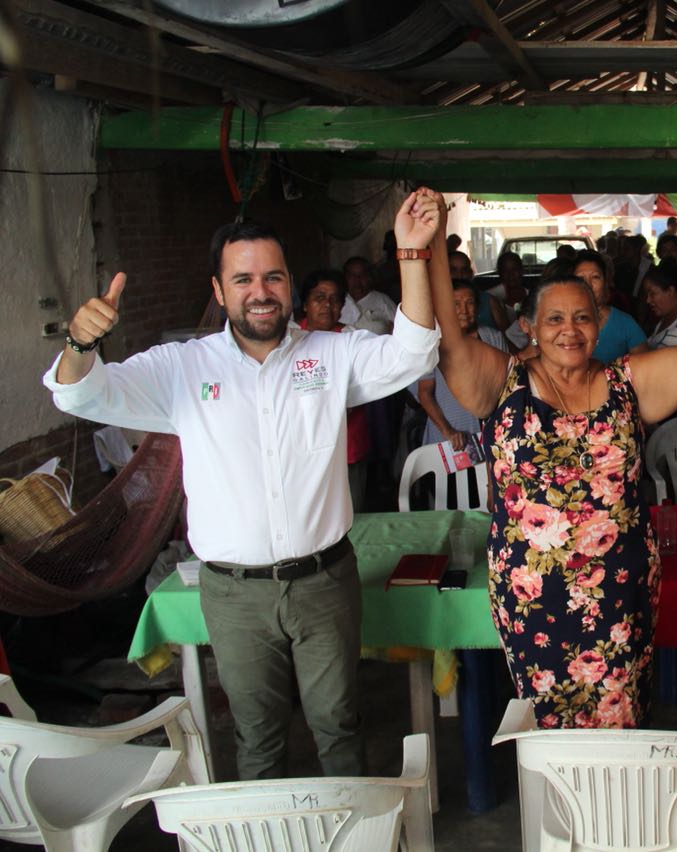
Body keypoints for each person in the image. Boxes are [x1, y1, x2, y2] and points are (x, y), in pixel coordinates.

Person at [45, 189, 444, 780]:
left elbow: (413, 354)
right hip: (233, 596)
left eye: (274, 277)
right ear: (218, 290)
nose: (261, 291)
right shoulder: (181, 368)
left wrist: (411, 255)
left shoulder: (331, 356)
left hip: (324, 582)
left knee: (339, 725)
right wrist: (81, 343)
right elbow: (81, 393)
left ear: (290, 285)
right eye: (243, 279)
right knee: (257, 738)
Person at [424, 223, 677, 730]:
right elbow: (447, 335)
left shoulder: (628, 382)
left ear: (600, 323)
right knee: (548, 721)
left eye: (582, 317)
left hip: (620, 591)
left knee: (620, 715)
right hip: (532, 593)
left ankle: (616, 810)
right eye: (554, 318)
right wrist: (431, 248)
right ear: (529, 326)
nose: (569, 329)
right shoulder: (503, 380)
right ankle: (557, 810)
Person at [298, 269, 373, 512]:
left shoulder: (351, 339)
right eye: (319, 297)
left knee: (352, 514)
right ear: (306, 304)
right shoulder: (290, 339)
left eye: (334, 299)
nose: (327, 305)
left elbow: (357, 391)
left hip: (347, 444)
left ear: (342, 306)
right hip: (302, 448)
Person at [417, 279, 508, 451]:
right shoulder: (432, 343)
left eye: (470, 303)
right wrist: (448, 431)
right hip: (447, 437)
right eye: (456, 304)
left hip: (489, 434)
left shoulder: (492, 337)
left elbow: (507, 385)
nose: (464, 311)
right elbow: (425, 393)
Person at [574, 249, 648, 361]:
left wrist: (609, 375)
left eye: (595, 277)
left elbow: (644, 369)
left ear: (606, 283)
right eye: (580, 278)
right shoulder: (561, 324)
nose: (588, 285)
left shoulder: (625, 323)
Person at [339, 255, 397, 334]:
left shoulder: (382, 300)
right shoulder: (339, 300)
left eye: (362, 275)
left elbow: (400, 327)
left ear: (369, 277)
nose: (357, 280)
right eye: (352, 276)